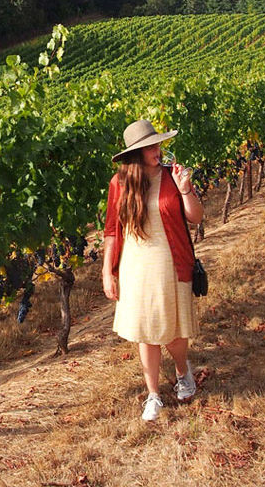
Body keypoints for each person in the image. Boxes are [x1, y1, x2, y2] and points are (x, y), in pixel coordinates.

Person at [102, 119, 203, 422]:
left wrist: (186, 191)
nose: (158, 150)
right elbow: (110, 231)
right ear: (137, 153)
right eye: (151, 147)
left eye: (158, 144)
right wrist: (108, 271)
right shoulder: (118, 184)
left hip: (171, 261)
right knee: (146, 332)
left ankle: (183, 371)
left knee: (173, 331)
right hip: (136, 266)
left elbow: (196, 217)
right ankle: (153, 395)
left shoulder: (173, 177)